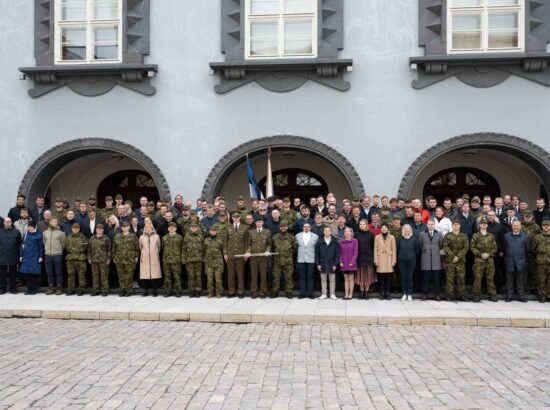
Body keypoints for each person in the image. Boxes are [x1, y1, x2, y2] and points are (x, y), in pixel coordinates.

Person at [470, 217, 498, 302]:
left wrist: (489, 254)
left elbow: (495, 248)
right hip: (479, 260)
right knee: (478, 278)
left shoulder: (491, 236)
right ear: (479, 225)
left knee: (490, 278)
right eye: (482, 224)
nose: (483, 225)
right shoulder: (475, 236)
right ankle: (476, 295)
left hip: (489, 260)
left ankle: (492, 294)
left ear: (487, 225)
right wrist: (480, 254)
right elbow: (472, 247)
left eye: (485, 224)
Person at [503, 220, 531, 303]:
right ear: (512, 226)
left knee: (520, 280)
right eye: (514, 225)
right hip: (509, 261)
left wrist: (521, 257)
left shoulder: (525, 237)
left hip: (520, 261)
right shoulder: (506, 236)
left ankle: (521, 296)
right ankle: (509, 296)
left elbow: (528, 249)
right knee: (509, 281)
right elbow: (504, 248)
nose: (515, 227)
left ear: (520, 226)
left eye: (517, 226)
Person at [224, 212, 249, 298]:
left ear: (240, 217)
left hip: (240, 254)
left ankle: (240, 291)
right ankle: (231, 292)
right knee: (230, 274)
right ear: (232, 217)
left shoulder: (245, 228)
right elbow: (225, 241)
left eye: (237, 217)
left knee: (240, 274)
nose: (235, 218)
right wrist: (225, 253)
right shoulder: (228, 227)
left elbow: (247, 241)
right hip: (230, 254)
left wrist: (246, 252)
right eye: (234, 217)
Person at [443, 219, 469, 301]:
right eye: (454, 224)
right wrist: (453, 256)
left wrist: (458, 257)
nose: (456, 226)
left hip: (460, 261)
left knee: (461, 278)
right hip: (450, 261)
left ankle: (462, 294)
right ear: (452, 226)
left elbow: (466, 247)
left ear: (460, 226)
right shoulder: (448, 235)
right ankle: (448, 294)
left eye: (458, 224)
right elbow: (445, 247)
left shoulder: (464, 236)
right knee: (449, 278)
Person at [418, 220, 444, 301]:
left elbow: (441, 245)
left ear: (434, 225)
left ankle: (437, 295)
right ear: (427, 225)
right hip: (426, 258)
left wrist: (434, 251)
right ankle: (425, 294)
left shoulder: (439, 234)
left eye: (432, 224)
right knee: (425, 278)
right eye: (429, 224)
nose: (430, 225)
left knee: (437, 279)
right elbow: (420, 245)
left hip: (436, 258)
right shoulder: (422, 234)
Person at [246, 218, 272, 299]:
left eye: (260, 222)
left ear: (262, 222)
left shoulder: (267, 231)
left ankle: (262, 291)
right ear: (255, 223)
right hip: (253, 257)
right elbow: (249, 244)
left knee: (263, 276)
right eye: (257, 222)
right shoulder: (251, 232)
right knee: (254, 276)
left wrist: (267, 250)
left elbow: (269, 244)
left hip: (263, 257)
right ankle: (254, 291)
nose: (258, 223)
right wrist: (248, 251)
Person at [112, 221, 139, 297]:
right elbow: (114, 248)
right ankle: (122, 289)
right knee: (121, 275)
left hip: (130, 258)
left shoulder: (133, 236)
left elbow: (136, 248)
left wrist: (136, 256)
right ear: (121, 228)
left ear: (129, 227)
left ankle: (129, 290)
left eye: (126, 226)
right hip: (119, 258)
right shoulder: (117, 236)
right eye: (123, 227)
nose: (124, 228)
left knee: (129, 275)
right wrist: (113, 257)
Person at [271, 222, 296, 298]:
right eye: (282, 226)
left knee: (288, 277)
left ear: (287, 228)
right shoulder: (275, 237)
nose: (283, 228)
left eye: (285, 227)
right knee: (276, 277)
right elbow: (272, 248)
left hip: (288, 261)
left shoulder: (291, 237)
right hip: (277, 260)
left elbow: (295, 248)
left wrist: (287, 254)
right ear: (279, 228)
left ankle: (289, 291)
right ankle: (275, 291)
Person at [42, 217, 66, 295]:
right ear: (50, 223)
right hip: (48, 255)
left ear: (57, 223)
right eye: (53, 222)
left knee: (58, 272)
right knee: (49, 272)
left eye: (55, 222)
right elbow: (44, 242)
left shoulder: (61, 233)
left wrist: (58, 250)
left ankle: (59, 288)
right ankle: (51, 288)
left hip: (57, 255)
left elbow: (63, 244)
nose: (54, 223)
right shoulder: (45, 232)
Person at [315, 225, 339, 300]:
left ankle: (332, 294)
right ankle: (324, 294)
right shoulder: (319, 241)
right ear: (323, 232)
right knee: (323, 279)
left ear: (331, 232)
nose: (327, 232)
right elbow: (317, 254)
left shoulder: (335, 241)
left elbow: (337, 254)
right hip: (322, 263)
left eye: (328, 230)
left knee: (332, 279)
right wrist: (318, 264)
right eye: (325, 230)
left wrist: (335, 264)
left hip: (332, 263)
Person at [295, 222, 318, 299]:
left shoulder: (315, 236)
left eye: (308, 226)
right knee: (302, 277)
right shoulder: (297, 236)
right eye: (305, 226)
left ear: (310, 228)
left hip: (311, 259)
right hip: (301, 259)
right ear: (302, 228)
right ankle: (302, 293)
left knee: (310, 277)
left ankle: (310, 293)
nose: (306, 228)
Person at [19, 221, 43, 295]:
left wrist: (41, 256)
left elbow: (41, 247)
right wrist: (21, 255)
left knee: (34, 274)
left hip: (35, 256)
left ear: (34, 227)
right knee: (27, 274)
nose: (29, 228)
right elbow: (22, 246)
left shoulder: (38, 235)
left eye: (31, 226)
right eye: (28, 226)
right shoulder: (25, 234)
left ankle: (34, 289)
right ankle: (29, 289)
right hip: (26, 256)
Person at [88, 224, 112, 297]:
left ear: (103, 230)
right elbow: (89, 249)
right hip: (94, 260)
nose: (99, 230)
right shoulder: (92, 238)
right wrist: (89, 258)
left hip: (103, 260)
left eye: (101, 229)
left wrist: (109, 258)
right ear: (96, 230)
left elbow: (109, 250)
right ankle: (96, 290)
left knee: (104, 276)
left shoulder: (106, 238)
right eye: (98, 229)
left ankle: (104, 290)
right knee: (95, 276)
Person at [396, 224, 419, 301]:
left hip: (411, 261)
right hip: (401, 261)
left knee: (409, 277)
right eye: (405, 228)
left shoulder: (414, 239)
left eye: (408, 228)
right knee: (403, 277)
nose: (406, 230)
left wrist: (412, 257)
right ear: (403, 230)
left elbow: (417, 251)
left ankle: (409, 294)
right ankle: (404, 293)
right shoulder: (399, 239)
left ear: (410, 230)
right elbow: (397, 250)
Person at [374, 223, 396, 300]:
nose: (384, 229)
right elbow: (375, 249)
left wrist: (393, 260)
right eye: (382, 227)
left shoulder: (392, 237)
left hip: (389, 259)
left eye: (385, 227)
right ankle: (382, 293)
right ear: (381, 229)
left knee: (388, 278)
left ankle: (388, 293)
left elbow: (394, 249)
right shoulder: (377, 237)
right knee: (381, 277)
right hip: (380, 259)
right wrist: (376, 260)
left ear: (387, 228)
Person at [64, 223, 88, 296]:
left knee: (81, 275)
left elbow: (86, 248)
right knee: (70, 275)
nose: (75, 229)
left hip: (80, 259)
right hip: (70, 259)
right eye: (74, 228)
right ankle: (71, 289)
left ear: (79, 229)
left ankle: (81, 289)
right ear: (71, 229)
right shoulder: (68, 237)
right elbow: (65, 247)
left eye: (77, 228)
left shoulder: (83, 237)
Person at [139, 222, 162, 297]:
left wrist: (155, 253)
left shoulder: (156, 236)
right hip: (145, 258)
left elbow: (159, 247)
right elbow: (140, 247)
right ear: (145, 228)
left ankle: (155, 290)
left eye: (150, 227)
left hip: (154, 258)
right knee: (145, 275)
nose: (148, 229)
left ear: (152, 228)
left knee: (154, 275)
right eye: (147, 227)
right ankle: (146, 291)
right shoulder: (142, 237)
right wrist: (144, 254)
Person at [161, 221, 183, 297]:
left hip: (176, 260)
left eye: (173, 227)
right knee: (167, 276)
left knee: (177, 276)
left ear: (176, 228)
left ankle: (177, 291)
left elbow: (182, 249)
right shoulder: (164, 238)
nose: (171, 229)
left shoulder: (179, 237)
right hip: (166, 260)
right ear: (168, 228)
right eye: (170, 227)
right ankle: (168, 290)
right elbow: (162, 248)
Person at [0, 218, 22, 294]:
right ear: (4, 223)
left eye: (9, 221)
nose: (8, 223)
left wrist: (19, 254)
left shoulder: (16, 232)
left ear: (11, 223)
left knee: (13, 274)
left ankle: (13, 289)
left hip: (13, 255)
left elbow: (20, 244)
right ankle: (3, 289)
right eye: (6, 222)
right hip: (2, 256)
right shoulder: (0, 232)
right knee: (2, 274)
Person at [183, 222, 204, 297]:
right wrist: (183, 259)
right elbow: (184, 248)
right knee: (191, 276)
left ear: (197, 228)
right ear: (190, 228)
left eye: (195, 227)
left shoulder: (200, 236)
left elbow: (203, 247)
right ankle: (191, 291)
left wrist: (203, 258)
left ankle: (198, 290)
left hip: (198, 259)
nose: (194, 229)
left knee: (198, 275)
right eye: (192, 227)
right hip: (189, 259)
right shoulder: (187, 236)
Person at [355, 219, 375, 299]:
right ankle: (361, 292)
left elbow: (373, 247)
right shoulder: (356, 234)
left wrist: (373, 258)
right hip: (359, 258)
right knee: (361, 277)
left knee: (367, 277)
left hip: (368, 258)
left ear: (367, 225)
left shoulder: (370, 234)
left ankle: (366, 293)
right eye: (360, 224)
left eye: (363, 224)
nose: (362, 226)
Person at [204, 224, 224, 298]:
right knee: (209, 278)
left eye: (214, 231)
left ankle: (218, 292)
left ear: (217, 231)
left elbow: (223, 251)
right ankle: (210, 292)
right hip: (209, 262)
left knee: (218, 278)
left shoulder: (220, 240)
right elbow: (204, 250)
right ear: (209, 231)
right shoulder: (206, 240)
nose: (213, 232)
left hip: (218, 262)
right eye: (212, 230)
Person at [533, 220, 550, 303]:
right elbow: (533, 250)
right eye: (544, 225)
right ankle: (542, 295)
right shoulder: (537, 237)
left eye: (547, 225)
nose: (545, 227)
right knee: (541, 280)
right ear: (541, 227)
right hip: (541, 262)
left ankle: (549, 295)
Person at [339, 227, 358, 300]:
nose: (346, 232)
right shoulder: (341, 241)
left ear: (351, 233)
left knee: (351, 279)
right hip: (344, 263)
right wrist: (340, 261)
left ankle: (350, 294)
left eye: (348, 231)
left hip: (351, 263)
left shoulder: (355, 241)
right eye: (345, 231)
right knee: (346, 279)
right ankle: (346, 294)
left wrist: (352, 262)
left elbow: (355, 252)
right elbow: (340, 252)